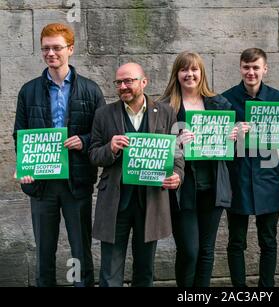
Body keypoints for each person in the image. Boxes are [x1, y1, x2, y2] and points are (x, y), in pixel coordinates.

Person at [12, 23, 105, 287]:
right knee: (44, 251)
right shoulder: (28, 91)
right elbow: (20, 134)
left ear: (70, 49)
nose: (51, 53)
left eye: (57, 48)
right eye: (45, 48)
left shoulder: (90, 89)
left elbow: (101, 135)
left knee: (79, 250)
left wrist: (84, 141)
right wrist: (23, 166)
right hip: (42, 184)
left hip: (76, 182)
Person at [88, 62, 184, 287]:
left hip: (150, 200)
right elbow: (93, 154)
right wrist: (110, 148)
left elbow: (177, 153)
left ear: (144, 82)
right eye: (119, 82)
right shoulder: (104, 114)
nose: (123, 86)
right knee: (110, 270)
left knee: (145, 270)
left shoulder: (166, 112)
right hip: (115, 201)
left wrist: (177, 176)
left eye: (128, 81)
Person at [222, 48, 279, 287]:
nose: (251, 72)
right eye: (246, 67)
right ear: (240, 68)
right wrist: (230, 133)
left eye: (256, 67)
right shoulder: (226, 100)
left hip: (267, 177)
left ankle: (266, 288)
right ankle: (239, 289)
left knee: (268, 239)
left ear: (264, 69)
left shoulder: (278, 100)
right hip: (237, 178)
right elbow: (216, 140)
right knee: (237, 241)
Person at [159, 51, 233, 287]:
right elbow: (156, 148)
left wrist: (233, 137)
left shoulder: (219, 104)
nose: (189, 74)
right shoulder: (164, 107)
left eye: (194, 69)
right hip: (183, 189)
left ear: (202, 73)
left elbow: (233, 150)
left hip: (212, 186)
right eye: (184, 70)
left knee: (206, 251)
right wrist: (175, 142)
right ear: (176, 74)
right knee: (189, 250)